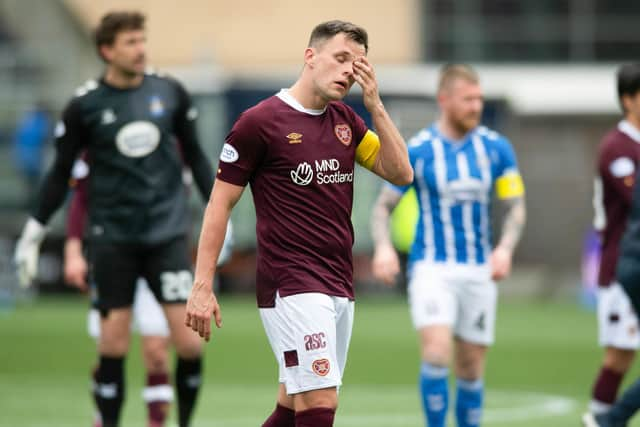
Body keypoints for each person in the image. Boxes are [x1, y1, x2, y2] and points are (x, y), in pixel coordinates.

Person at [184, 20, 413, 427]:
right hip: (291, 285)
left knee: (291, 407)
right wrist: (202, 284)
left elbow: (400, 173)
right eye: (341, 58)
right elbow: (219, 204)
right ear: (311, 57)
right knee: (321, 401)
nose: (348, 71)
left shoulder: (348, 122)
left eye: (358, 64)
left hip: (338, 283)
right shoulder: (260, 123)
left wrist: (375, 105)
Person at [14, 11, 213, 427]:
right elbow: (61, 173)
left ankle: (185, 422)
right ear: (107, 50)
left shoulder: (170, 92)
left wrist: (219, 217)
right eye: (130, 42)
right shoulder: (85, 105)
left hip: (166, 236)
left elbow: (196, 159)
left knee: (190, 346)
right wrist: (34, 230)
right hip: (112, 240)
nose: (141, 49)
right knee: (113, 345)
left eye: (142, 40)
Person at [370, 64, 526, 427]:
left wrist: (504, 249)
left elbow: (515, 205)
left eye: (479, 99)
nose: (476, 106)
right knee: (437, 352)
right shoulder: (420, 150)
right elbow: (382, 207)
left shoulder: (496, 148)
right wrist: (383, 248)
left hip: (478, 270)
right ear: (445, 100)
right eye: (468, 99)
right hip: (432, 268)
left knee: (471, 366)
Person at [581, 63, 640, 426]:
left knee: (621, 357)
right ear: (628, 100)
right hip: (622, 267)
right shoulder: (616, 148)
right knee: (618, 357)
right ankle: (604, 420)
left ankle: (604, 421)